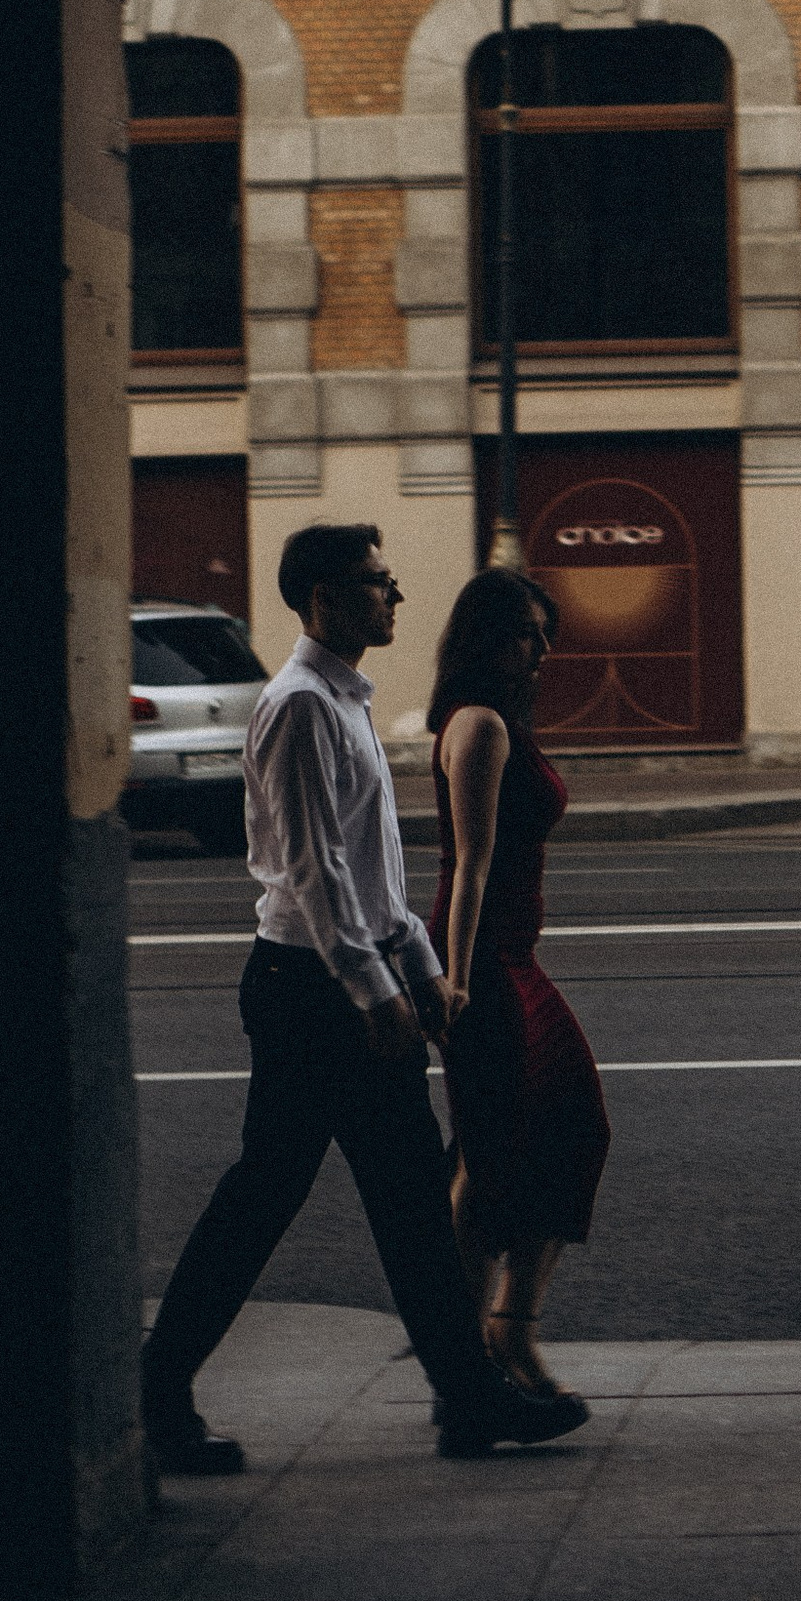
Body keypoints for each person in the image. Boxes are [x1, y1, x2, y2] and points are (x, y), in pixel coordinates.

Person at [138, 523, 590, 1471]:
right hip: (312, 994)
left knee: (398, 1201)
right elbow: (316, 871)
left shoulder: (345, 701)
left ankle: (467, 1398)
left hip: (334, 986)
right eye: (377, 582)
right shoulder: (301, 706)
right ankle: (159, 1394)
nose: (395, 597)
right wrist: (377, 993)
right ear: (324, 598)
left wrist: (421, 970)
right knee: (279, 1199)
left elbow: (376, 873)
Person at [427, 570, 612, 1404]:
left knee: (562, 1128)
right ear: (486, 637)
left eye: (546, 634)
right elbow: (469, 864)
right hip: (487, 963)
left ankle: (503, 1334)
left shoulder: (501, 720)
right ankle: (467, 1367)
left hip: (512, 957)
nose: (541, 650)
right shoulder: (480, 724)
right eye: (526, 633)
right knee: (488, 1159)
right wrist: (457, 983)